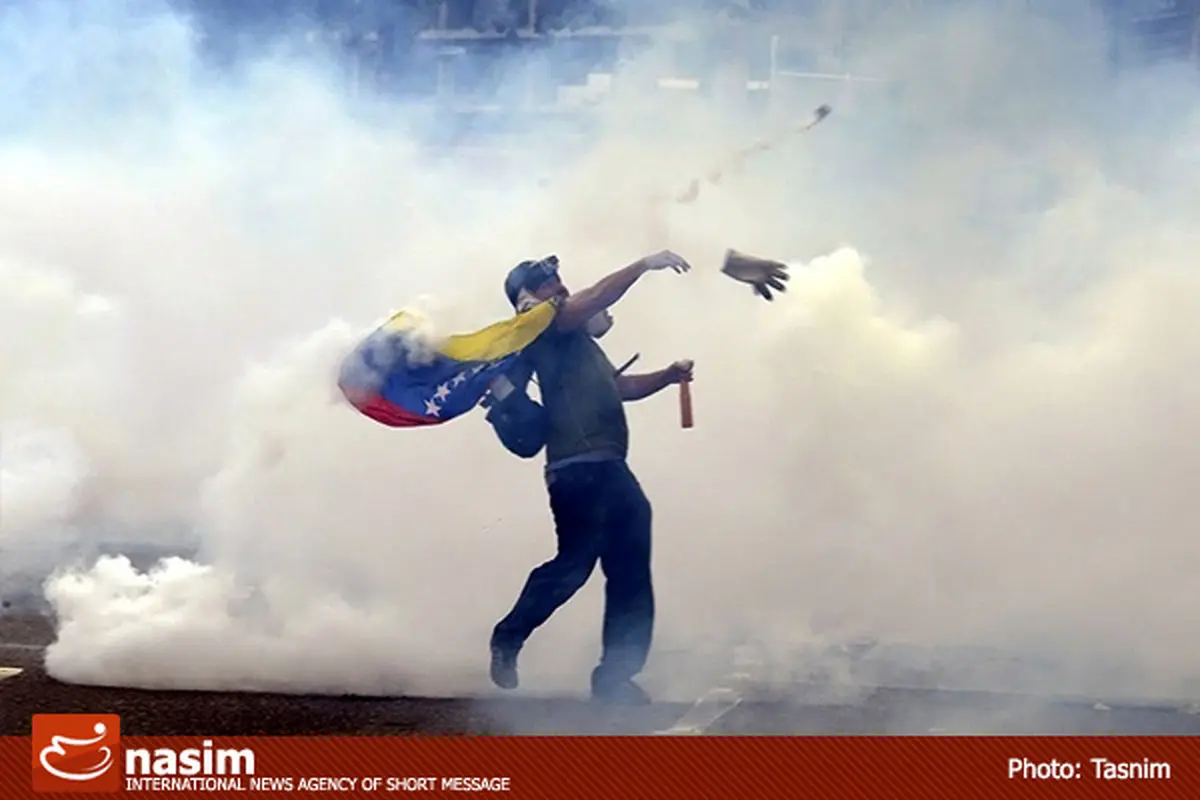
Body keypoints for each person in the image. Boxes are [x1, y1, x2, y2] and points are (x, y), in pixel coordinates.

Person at [487, 247, 790, 705]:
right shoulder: (546, 326)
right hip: (577, 471)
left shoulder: (578, 341)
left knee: (628, 571)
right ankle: (509, 635)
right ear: (529, 296)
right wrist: (644, 265)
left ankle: (615, 678)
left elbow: (620, 387)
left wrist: (666, 376)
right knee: (574, 565)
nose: (560, 285)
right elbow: (594, 298)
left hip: (609, 468)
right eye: (548, 281)